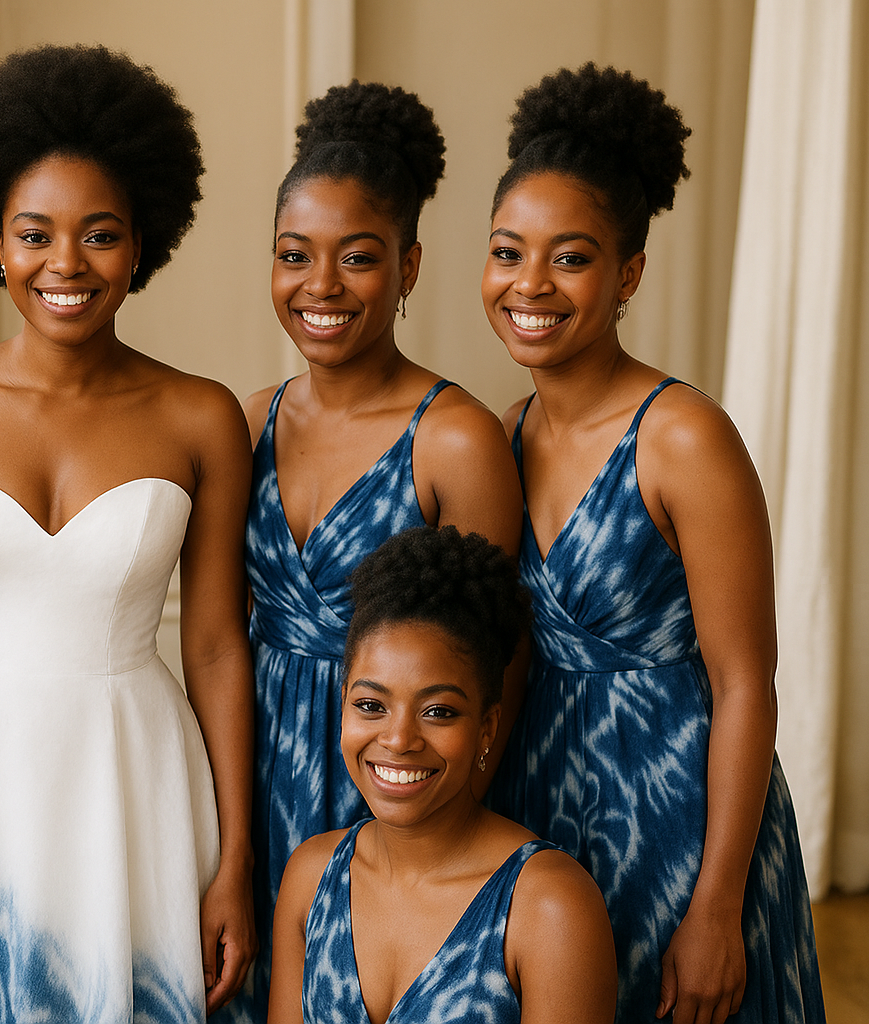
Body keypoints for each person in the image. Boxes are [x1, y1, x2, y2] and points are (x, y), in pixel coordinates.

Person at [0, 43, 256, 1023]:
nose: (66, 264)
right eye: (36, 233)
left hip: (132, 771)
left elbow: (214, 643)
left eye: (100, 234)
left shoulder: (200, 417)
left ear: (143, 243)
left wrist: (236, 857)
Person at [481, 63, 825, 1024]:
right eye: (508, 252)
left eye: (572, 257)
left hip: (681, 825)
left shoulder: (683, 437)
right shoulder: (504, 432)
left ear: (627, 274)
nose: (530, 285)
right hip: (539, 811)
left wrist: (717, 904)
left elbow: (746, 681)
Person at [231, 79, 522, 1023]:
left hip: (398, 777)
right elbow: (222, 637)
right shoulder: (250, 421)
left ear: (408, 267)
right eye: (293, 256)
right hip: (261, 771)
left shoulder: (455, 440)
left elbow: (495, 666)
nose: (319, 286)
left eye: (356, 258)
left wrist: (432, 837)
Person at [269, 526, 616, 1024]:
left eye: (438, 712)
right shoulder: (311, 877)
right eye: (371, 705)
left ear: (486, 728)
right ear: (341, 703)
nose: (399, 739)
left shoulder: (549, 908)